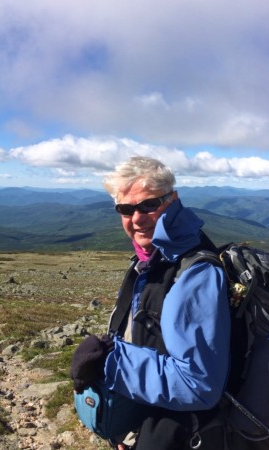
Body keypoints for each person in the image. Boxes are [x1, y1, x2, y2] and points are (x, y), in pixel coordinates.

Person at [71, 156, 232, 449]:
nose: (137, 218)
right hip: (151, 428)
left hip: (182, 436)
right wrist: (129, 431)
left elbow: (198, 385)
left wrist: (109, 361)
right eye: (125, 209)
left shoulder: (194, 275)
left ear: (173, 200)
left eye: (149, 205)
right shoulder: (152, 260)